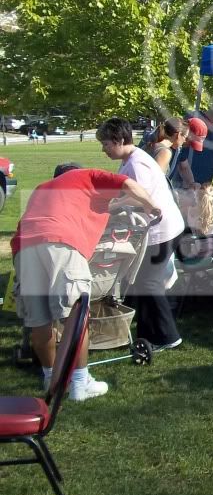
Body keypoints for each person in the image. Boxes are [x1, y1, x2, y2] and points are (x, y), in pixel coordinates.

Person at [12, 164, 161, 400]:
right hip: (61, 241)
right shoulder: (88, 175)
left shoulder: (44, 188)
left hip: (24, 246)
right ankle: (80, 384)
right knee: (76, 317)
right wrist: (151, 206)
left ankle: (51, 379)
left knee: (39, 321)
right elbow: (129, 184)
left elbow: (102, 206)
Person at [97, 118, 187, 348]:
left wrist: (111, 207)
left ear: (119, 140)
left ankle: (168, 336)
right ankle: (147, 335)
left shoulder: (137, 164)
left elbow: (140, 197)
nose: (103, 149)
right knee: (142, 282)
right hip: (158, 228)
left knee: (149, 283)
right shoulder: (131, 160)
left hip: (163, 230)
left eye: (106, 144)